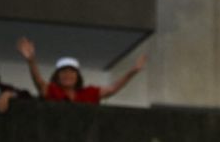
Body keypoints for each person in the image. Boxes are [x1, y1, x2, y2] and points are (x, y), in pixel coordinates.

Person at [17, 37, 146, 104]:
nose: (67, 75)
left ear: (78, 76)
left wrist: (132, 72)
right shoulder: (51, 91)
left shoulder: (88, 93)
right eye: (63, 72)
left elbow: (112, 89)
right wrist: (31, 61)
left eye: (72, 71)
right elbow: (38, 81)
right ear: (57, 76)